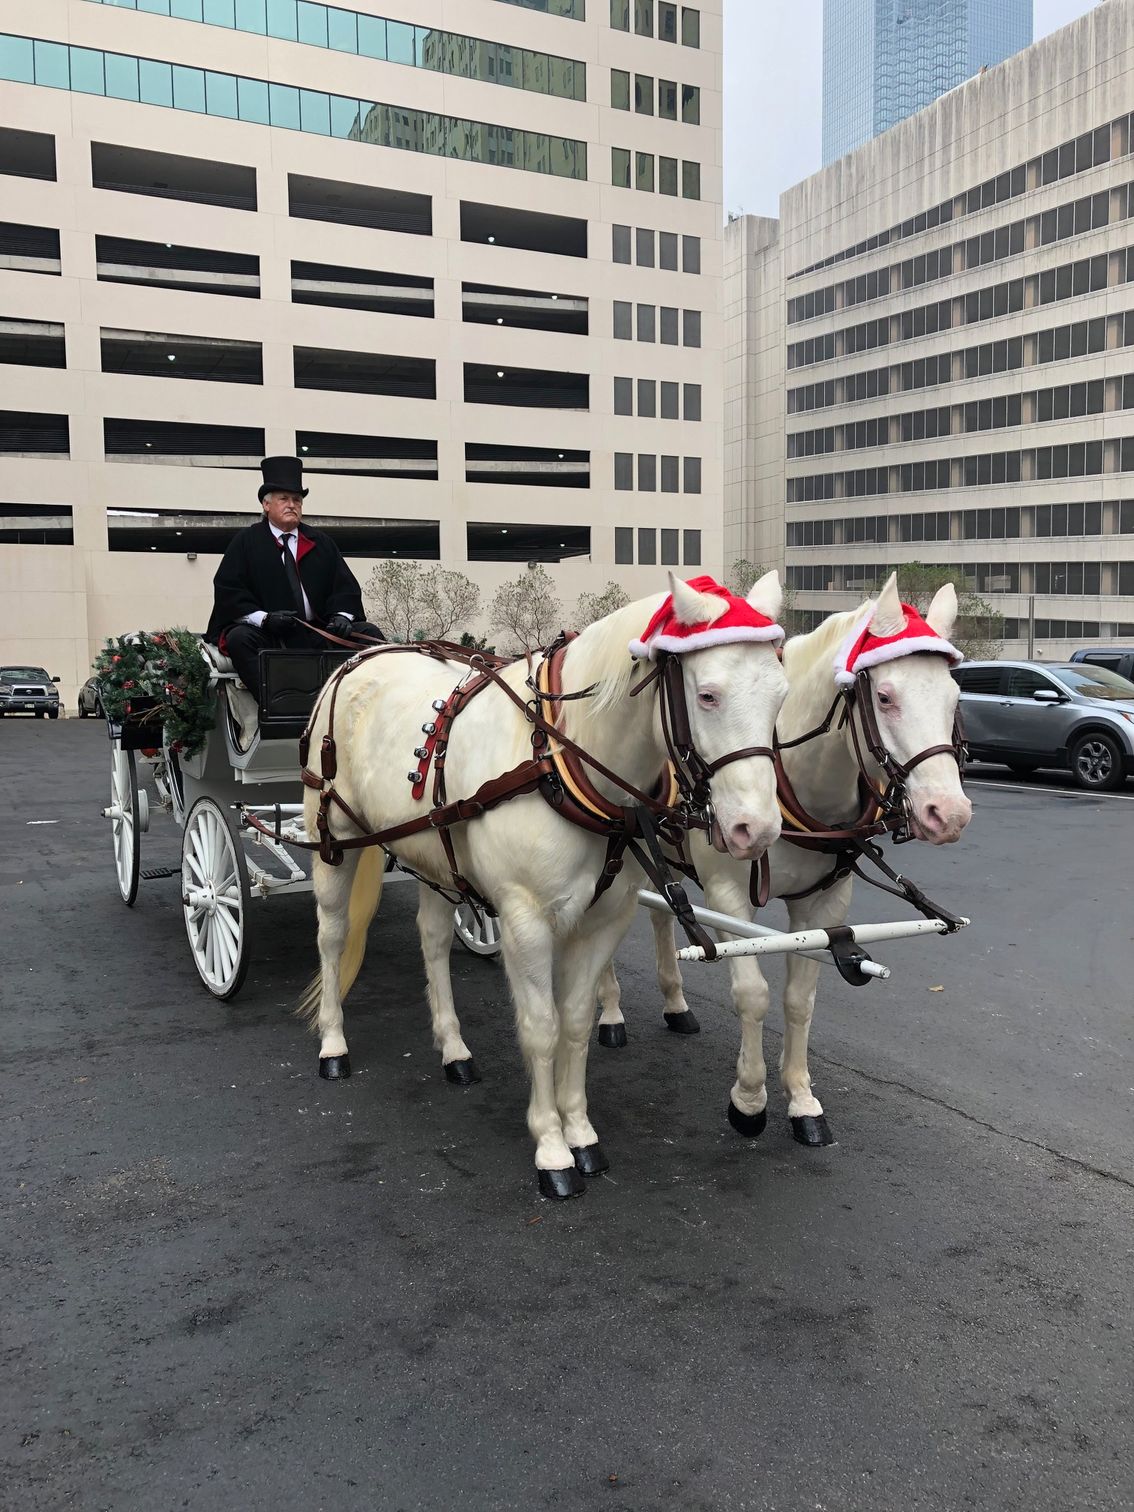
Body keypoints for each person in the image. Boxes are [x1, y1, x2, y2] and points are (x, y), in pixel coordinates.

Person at [206, 455, 385, 696]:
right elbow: (229, 591)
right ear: (266, 505)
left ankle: (374, 703)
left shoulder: (320, 542)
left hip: (319, 632)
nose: (292, 504)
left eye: (297, 500)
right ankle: (279, 706)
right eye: (284, 499)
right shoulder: (247, 542)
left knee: (369, 633)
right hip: (270, 635)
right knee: (240, 639)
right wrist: (265, 619)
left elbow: (345, 587)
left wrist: (342, 616)